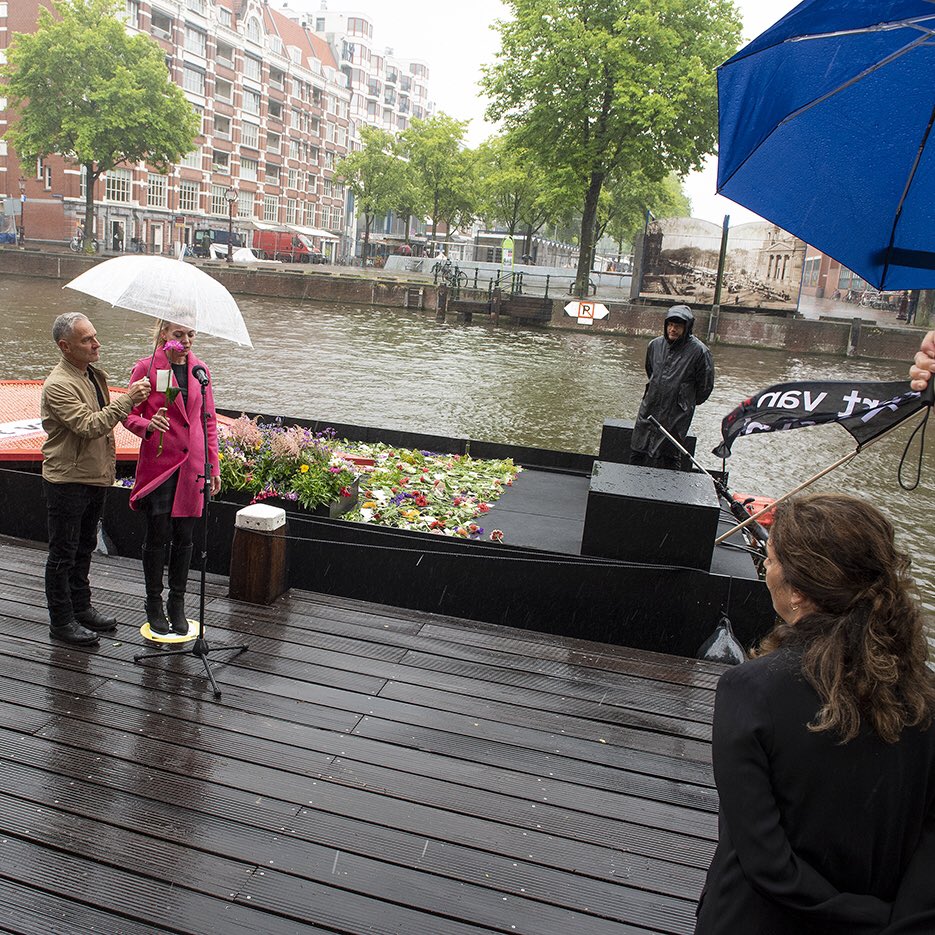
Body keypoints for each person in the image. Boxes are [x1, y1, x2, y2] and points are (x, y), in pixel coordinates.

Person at [695, 493, 935, 935]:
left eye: (768, 560)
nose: (765, 570)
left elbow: (767, 863)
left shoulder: (749, 691)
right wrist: (896, 919)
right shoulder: (925, 692)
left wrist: (853, 913)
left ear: (799, 590)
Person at [41, 313, 151, 645]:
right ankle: (61, 622)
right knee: (63, 551)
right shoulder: (58, 384)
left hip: (93, 475)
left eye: (95, 336)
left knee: (85, 546)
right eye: (87, 339)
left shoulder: (90, 373)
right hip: (67, 479)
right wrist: (128, 399)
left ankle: (81, 608)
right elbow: (90, 425)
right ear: (65, 346)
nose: (96, 343)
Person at [125, 321, 221, 635]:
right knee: (157, 535)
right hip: (161, 463)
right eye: (179, 335)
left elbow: (208, 422)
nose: (186, 341)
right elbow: (127, 414)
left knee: (185, 537)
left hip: (192, 465)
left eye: (191, 335)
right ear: (164, 332)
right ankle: (153, 601)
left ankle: (176, 602)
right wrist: (148, 425)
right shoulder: (146, 367)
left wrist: (213, 467)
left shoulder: (200, 372)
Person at [630, 305, 714, 470]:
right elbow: (651, 371)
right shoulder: (655, 345)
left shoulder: (700, 352)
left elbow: (705, 387)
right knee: (638, 449)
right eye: (670, 325)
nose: (672, 329)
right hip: (651, 406)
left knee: (670, 454)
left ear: (687, 328)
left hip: (676, 413)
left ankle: (669, 493)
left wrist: (684, 401)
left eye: (678, 326)